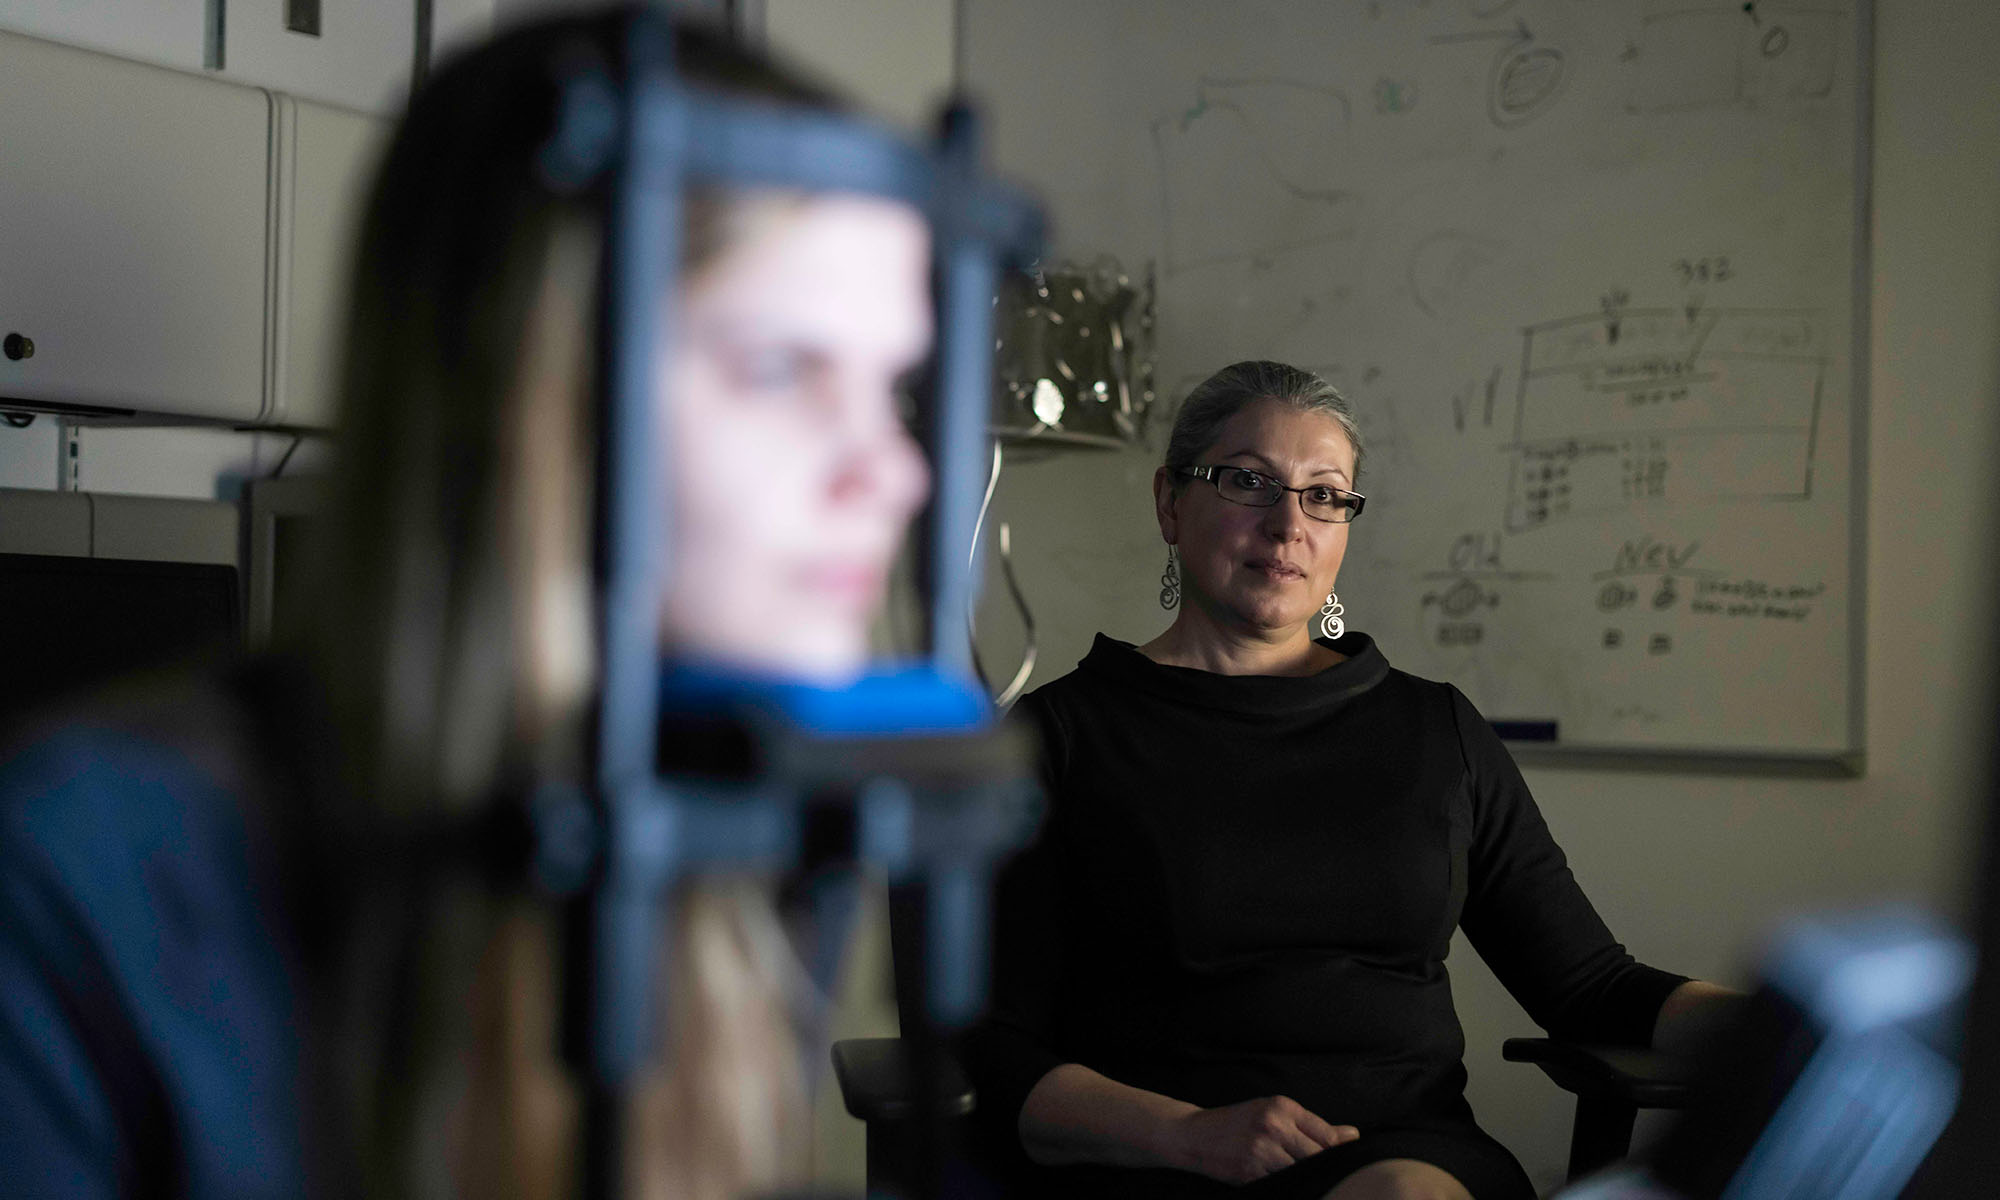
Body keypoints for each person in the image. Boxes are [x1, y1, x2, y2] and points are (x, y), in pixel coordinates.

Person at [0, 10, 938, 1199]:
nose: (893, 473)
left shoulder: (728, 829)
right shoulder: (87, 875)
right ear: (531, 378)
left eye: (891, 386)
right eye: (781, 368)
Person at [961, 360, 1737, 1200]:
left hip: (1408, 1155)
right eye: (1248, 481)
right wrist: (1185, 1134)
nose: (1288, 524)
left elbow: (1591, 987)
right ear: (1170, 503)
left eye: (1324, 495)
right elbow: (989, 1046)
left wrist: (1776, 1024)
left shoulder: (1437, 731)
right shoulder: (1057, 739)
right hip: (1161, 1157)